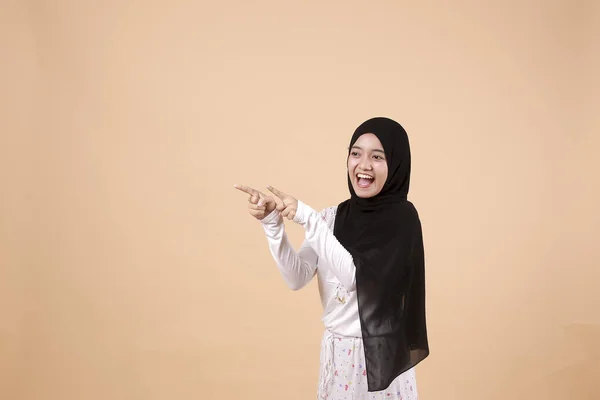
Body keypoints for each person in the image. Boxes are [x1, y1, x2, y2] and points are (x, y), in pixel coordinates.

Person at [234, 117, 429, 399]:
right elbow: (297, 277)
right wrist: (273, 225)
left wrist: (307, 217)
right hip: (337, 357)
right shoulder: (331, 218)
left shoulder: (402, 221)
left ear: (396, 164)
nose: (363, 165)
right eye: (355, 153)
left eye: (377, 157)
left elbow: (355, 279)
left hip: (378, 361)